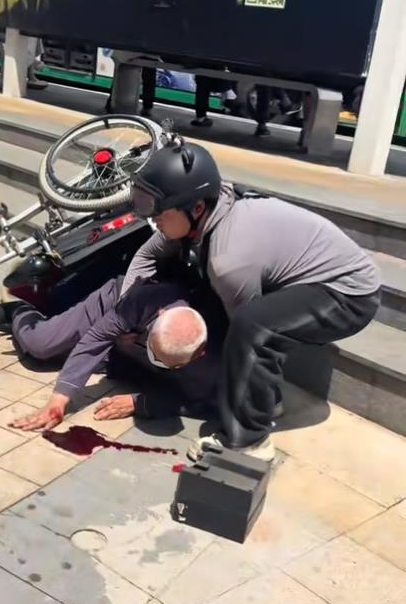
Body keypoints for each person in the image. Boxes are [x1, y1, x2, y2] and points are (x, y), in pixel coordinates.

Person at [125, 137, 381, 462]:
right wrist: (126, 312)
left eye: (159, 208)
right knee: (216, 304)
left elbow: (246, 334)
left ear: (196, 208)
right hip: (306, 277)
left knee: (253, 327)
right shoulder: (214, 207)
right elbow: (148, 254)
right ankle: (267, 400)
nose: (153, 217)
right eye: (147, 203)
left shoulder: (229, 258)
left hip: (349, 294)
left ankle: (250, 441)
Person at [6, 279, 211, 432]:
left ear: (199, 353)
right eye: (153, 351)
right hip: (113, 305)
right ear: (160, 315)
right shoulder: (147, 300)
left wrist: (140, 403)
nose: (156, 361)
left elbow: (202, 399)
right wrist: (58, 402)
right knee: (40, 345)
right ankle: (20, 309)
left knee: (75, 359)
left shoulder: (209, 348)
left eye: (165, 363)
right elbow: (97, 339)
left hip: (125, 356)